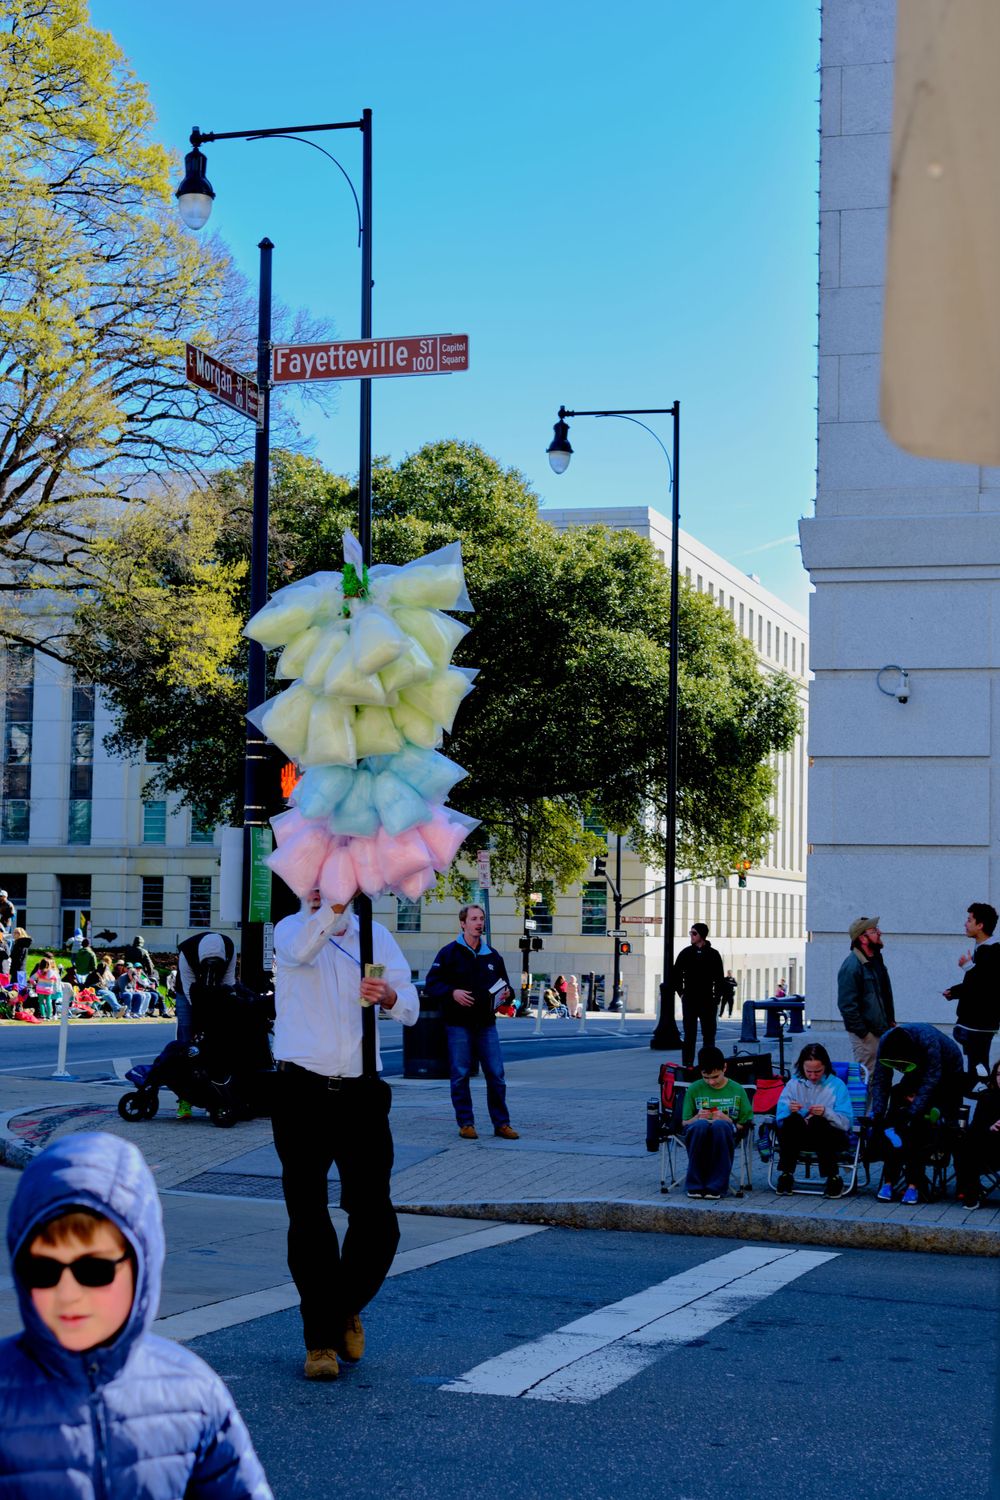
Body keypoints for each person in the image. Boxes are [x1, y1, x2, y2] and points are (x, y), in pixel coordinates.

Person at [0, 1131, 272, 1497]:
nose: (67, 1293)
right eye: (43, 1270)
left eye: (94, 1270)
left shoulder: (192, 1392)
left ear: (142, 1264)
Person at [272, 891, 418, 1382]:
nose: (320, 887)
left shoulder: (374, 936)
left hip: (361, 1093)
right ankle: (320, 1342)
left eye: (332, 878)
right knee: (308, 1217)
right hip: (300, 1091)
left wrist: (391, 998)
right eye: (313, 878)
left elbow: (410, 1004)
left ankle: (341, 1307)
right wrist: (330, 909)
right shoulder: (290, 930)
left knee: (377, 1220)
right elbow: (302, 951)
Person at [423, 904, 520, 1142]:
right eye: (474, 919)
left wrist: (508, 993)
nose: (479, 923)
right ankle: (466, 1123)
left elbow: (506, 987)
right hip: (458, 1024)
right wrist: (452, 992)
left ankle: (502, 1124)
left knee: (496, 1074)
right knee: (460, 1074)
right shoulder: (448, 953)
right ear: (463, 923)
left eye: (481, 919)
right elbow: (432, 984)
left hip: (486, 1024)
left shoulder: (492, 955)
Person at [870, 1023, 964, 1205]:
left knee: (921, 1126)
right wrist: (878, 1113)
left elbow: (931, 1080)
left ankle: (921, 1183)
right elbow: (881, 1080)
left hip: (948, 1071)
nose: (899, 1070)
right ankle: (892, 1180)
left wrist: (913, 1112)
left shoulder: (929, 1041)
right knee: (897, 1120)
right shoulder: (886, 1042)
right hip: (916, 1071)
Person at [774, 1042, 853, 1198]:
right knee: (792, 1120)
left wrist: (826, 1113)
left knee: (818, 1121)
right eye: (808, 1071)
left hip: (829, 1137)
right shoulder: (793, 1084)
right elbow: (780, 1118)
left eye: (818, 1071)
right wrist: (789, 1109)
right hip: (799, 1136)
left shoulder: (837, 1085)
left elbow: (846, 1123)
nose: (813, 1076)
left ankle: (833, 1176)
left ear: (826, 1067)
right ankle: (786, 1174)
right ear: (802, 1068)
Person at [681, 1045, 753, 1199]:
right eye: (706, 1077)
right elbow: (685, 1123)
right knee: (700, 1125)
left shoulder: (737, 1089)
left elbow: (744, 1123)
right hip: (698, 1132)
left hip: (725, 1132)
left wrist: (728, 1120)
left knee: (720, 1126)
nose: (711, 1082)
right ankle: (695, 1185)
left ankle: (716, 1186)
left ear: (724, 1068)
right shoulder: (694, 1089)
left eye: (715, 1077)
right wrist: (697, 1117)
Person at [942, 902, 1000, 1084]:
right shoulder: (983, 950)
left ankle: (985, 1095)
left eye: (969, 920)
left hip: (978, 1023)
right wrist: (954, 992)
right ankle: (982, 1093)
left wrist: (967, 967)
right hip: (977, 1024)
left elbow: (985, 985)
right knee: (977, 1068)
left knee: (978, 1071)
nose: (965, 924)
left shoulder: (992, 951)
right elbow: (974, 984)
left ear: (980, 925)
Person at [837, 916, 896, 1084]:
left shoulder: (875, 960)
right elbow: (847, 1006)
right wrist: (864, 1034)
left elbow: (883, 995)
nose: (880, 933)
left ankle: (879, 1104)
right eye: (874, 931)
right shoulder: (852, 966)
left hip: (883, 1031)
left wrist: (890, 1021)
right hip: (867, 1036)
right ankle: (867, 1105)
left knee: (884, 1077)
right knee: (869, 1079)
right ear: (863, 938)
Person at [672, 922, 725, 1070]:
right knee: (690, 1034)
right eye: (691, 933)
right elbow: (676, 974)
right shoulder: (685, 953)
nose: (691, 936)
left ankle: (708, 1065)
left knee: (709, 1034)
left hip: (708, 1000)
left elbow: (719, 979)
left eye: (694, 933)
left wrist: (716, 998)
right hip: (690, 999)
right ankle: (688, 1064)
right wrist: (681, 993)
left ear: (702, 935)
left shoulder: (713, 954)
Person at [955, 1058, 1000, 1208]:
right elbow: (976, 1127)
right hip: (989, 1148)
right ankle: (971, 1193)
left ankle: (970, 1192)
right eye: (998, 1074)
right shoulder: (987, 1097)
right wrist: (990, 1127)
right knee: (967, 1140)